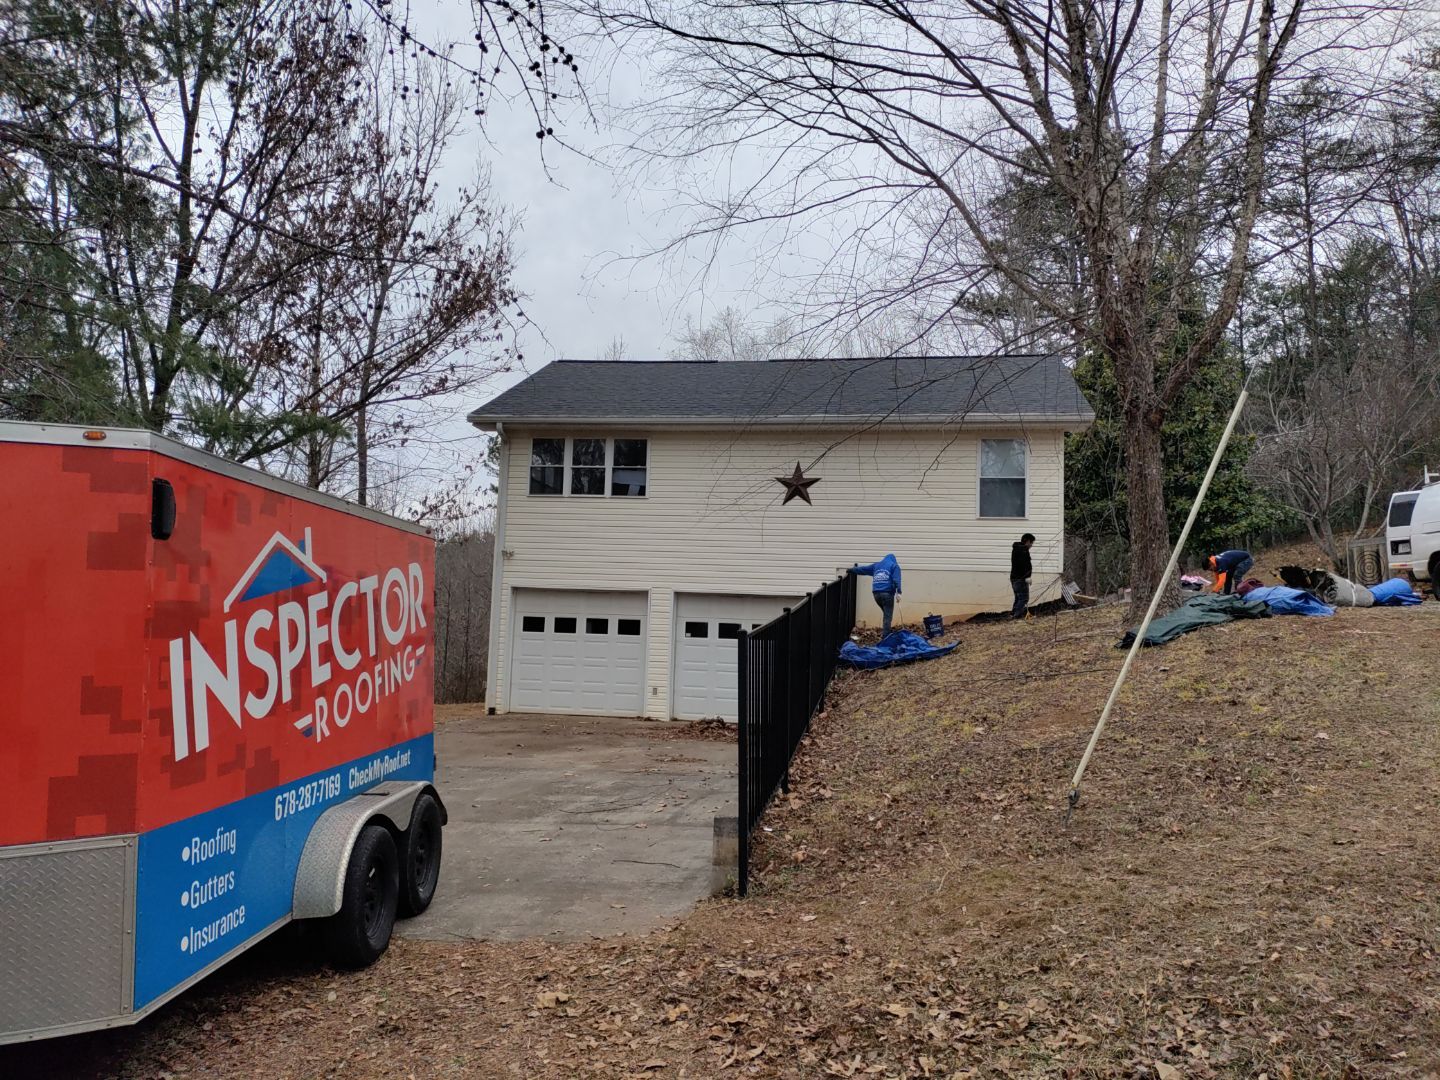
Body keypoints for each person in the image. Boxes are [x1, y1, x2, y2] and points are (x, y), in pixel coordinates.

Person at [851, 553, 901, 636]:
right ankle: (886, 637)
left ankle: (887, 631)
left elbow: (863, 569)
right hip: (887, 593)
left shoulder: (877, 565)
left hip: (876, 594)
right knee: (887, 617)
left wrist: (852, 570)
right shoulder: (894, 566)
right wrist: (899, 592)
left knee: (886, 615)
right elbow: (896, 580)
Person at [1010, 533, 1035, 620]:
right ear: (1027, 541)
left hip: (1014, 578)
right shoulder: (1023, 551)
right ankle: (1016, 616)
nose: (1032, 545)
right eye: (1031, 543)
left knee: (1018, 597)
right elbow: (1024, 565)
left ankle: (1013, 614)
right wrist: (1027, 577)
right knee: (1024, 598)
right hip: (1021, 578)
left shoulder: (1016, 549)